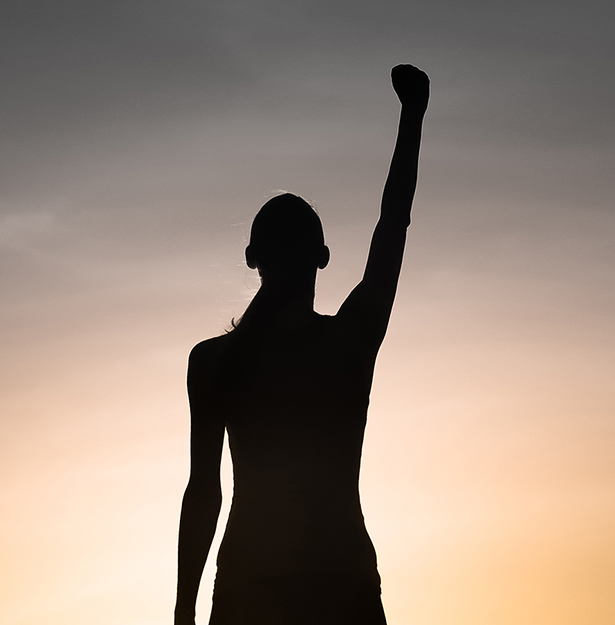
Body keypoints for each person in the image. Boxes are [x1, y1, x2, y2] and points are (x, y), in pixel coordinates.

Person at [176, 64, 429, 625]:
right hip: (337, 587)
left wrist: (182, 612)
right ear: (322, 257)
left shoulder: (214, 361)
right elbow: (394, 225)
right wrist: (412, 117)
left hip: (253, 588)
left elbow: (203, 496)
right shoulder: (348, 341)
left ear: (252, 258)